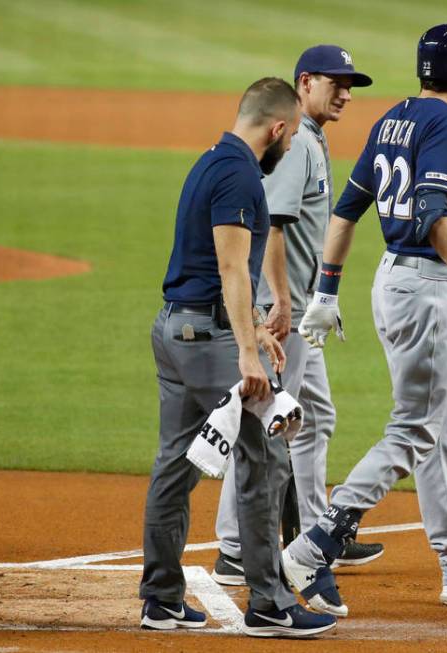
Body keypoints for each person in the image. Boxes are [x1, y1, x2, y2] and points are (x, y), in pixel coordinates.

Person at [278, 24, 447, 616]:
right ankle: (315, 544)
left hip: (388, 281)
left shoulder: (393, 117)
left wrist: (326, 291)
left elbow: (347, 210)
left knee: (438, 431)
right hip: (426, 284)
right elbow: (435, 210)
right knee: (413, 427)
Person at [139, 77, 336, 638]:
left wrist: (249, 327)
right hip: (209, 339)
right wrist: (248, 351)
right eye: (292, 132)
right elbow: (229, 268)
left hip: (178, 329)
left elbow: (215, 267)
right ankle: (270, 603)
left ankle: (161, 599)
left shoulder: (211, 159)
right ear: (276, 128)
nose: (291, 141)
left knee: (175, 463)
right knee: (265, 457)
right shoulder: (238, 174)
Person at [211, 46, 384, 588]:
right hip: (283, 311)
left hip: (302, 308)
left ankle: (316, 534)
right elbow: (277, 228)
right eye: (337, 83)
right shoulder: (299, 143)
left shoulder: (311, 137)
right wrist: (283, 302)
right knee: (266, 422)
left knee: (316, 417)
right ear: (305, 83)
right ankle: (236, 547)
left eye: (350, 85)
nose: (346, 94)